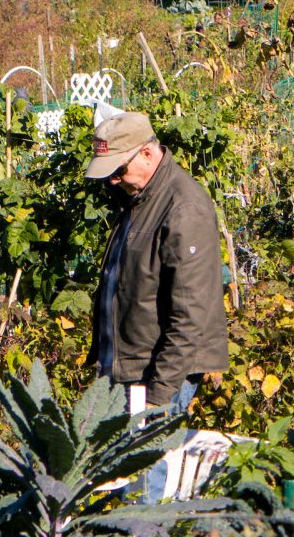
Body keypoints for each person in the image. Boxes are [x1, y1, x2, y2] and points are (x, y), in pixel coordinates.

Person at [87, 108, 228, 419]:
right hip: (127, 372)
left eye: (119, 169)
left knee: (147, 466)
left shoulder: (184, 209)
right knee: (117, 467)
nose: (113, 179)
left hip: (154, 377)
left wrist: (160, 393)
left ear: (148, 154)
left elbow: (191, 312)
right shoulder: (140, 198)